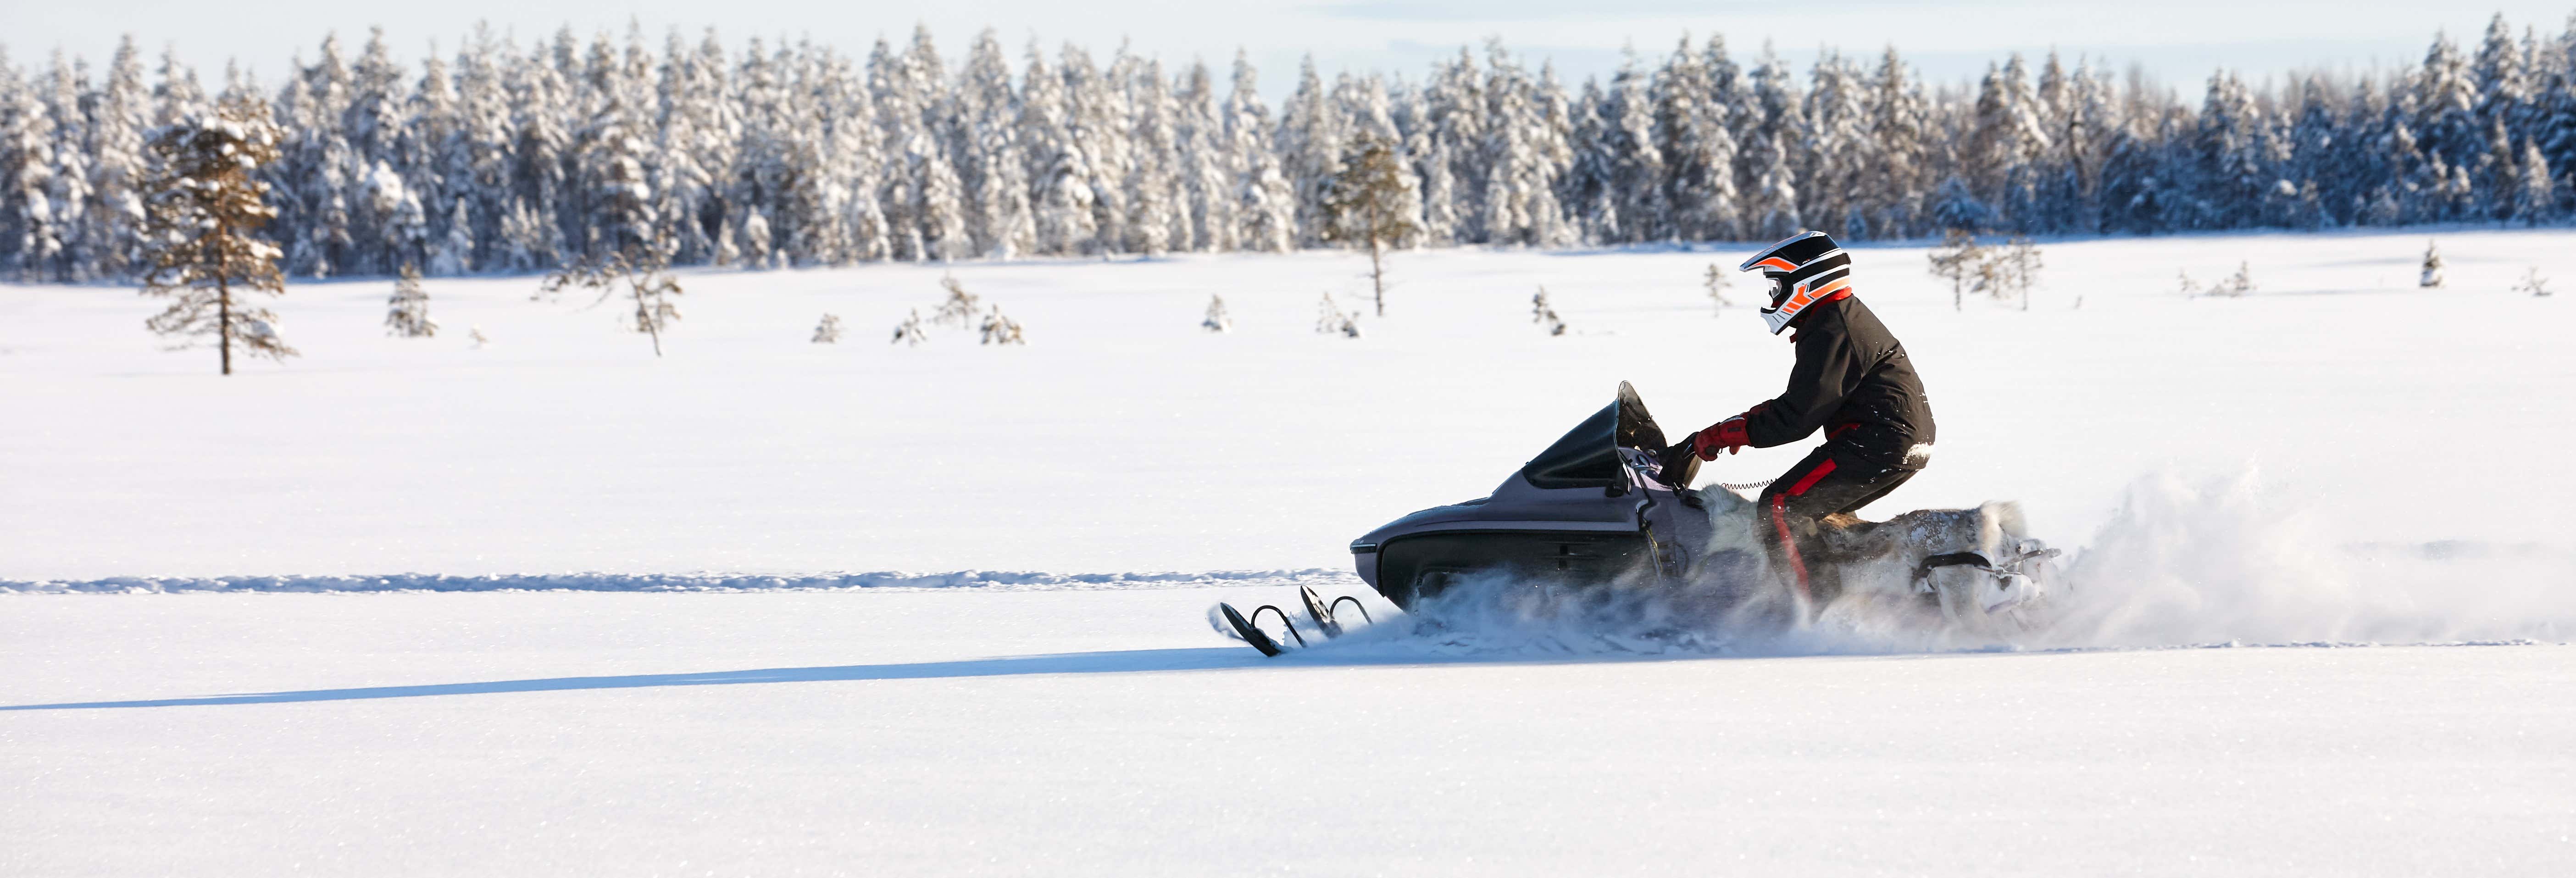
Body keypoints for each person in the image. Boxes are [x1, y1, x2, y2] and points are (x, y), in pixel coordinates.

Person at [1658, 231, 1936, 607]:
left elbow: (1797, 418)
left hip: (1878, 442)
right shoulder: (1835, 318)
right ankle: (1861, 599)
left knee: (1781, 507)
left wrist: (1727, 435)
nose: (1774, 298)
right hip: (1893, 441)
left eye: (1778, 287)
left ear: (1806, 281)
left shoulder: (1833, 327)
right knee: (1822, 517)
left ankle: (1816, 610)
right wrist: (1734, 429)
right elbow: (1807, 401)